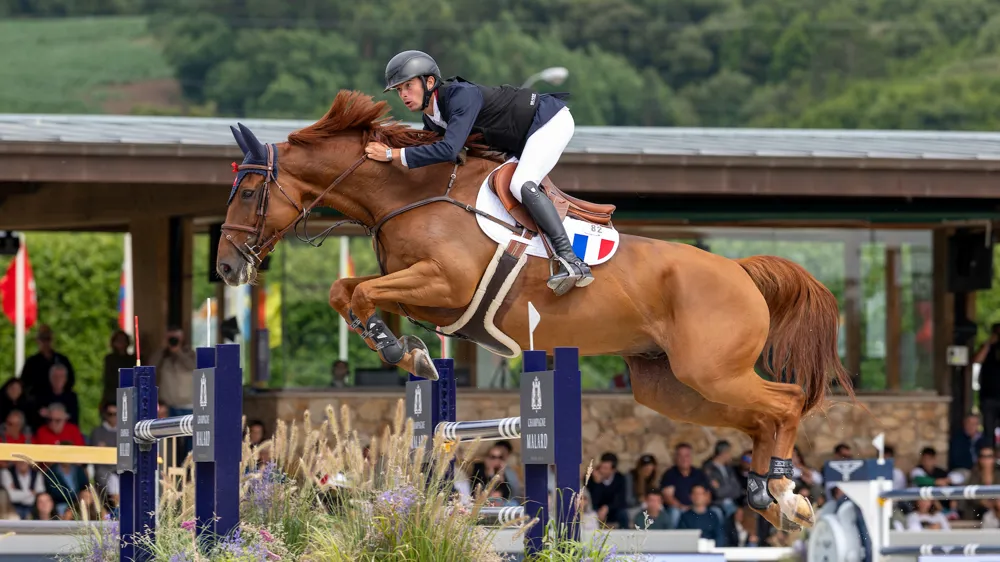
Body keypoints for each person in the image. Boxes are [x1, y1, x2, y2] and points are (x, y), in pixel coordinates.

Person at [367, 50, 593, 295]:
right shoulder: (432, 119)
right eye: (399, 90)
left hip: (549, 122)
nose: (404, 95)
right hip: (520, 141)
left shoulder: (461, 96)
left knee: (520, 184)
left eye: (408, 86)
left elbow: (448, 149)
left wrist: (392, 154)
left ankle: (572, 261)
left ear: (429, 82)